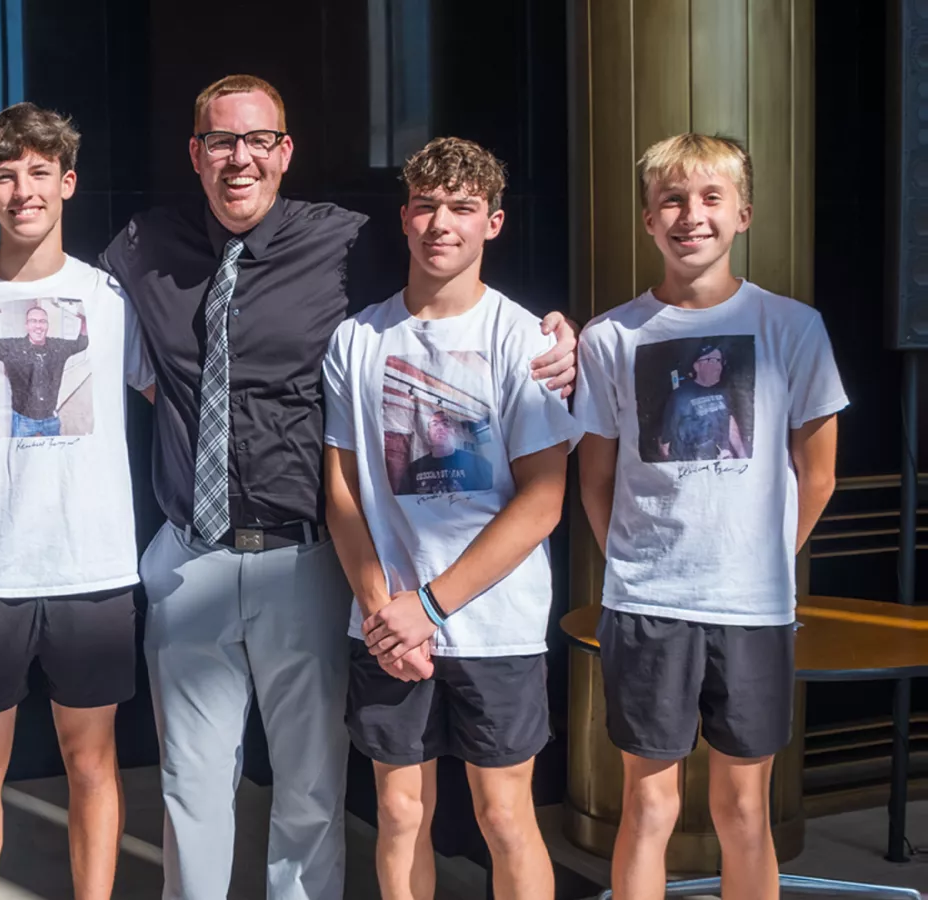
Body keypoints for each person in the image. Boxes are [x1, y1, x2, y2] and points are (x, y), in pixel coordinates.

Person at [93, 74, 579, 900]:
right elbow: (76, 313)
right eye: (220, 141)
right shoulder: (144, 245)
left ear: (285, 152)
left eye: (257, 141)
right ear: (195, 154)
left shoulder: (347, 240)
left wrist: (565, 332)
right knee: (192, 789)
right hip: (192, 556)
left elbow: (454, 279)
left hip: (306, 562)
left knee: (315, 792)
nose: (239, 159)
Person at [575, 133, 847, 900]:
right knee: (647, 806)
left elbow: (819, 473)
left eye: (710, 198)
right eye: (671, 200)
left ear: (743, 214)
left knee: (745, 810)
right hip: (646, 604)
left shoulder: (793, 328)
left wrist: (766, 558)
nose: (690, 215)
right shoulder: (611, 336)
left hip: (752, 607)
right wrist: (634, 563)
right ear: (648, 220)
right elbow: (595, 477)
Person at [0, 102, 153, 900]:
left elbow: (176, 395)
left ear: (68, 183)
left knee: (93, 765)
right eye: (6, 176)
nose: (24, 191)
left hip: (93, 570)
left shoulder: (113, 299)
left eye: (40, 172)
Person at [322, 136, 578, 900]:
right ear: (404, 216)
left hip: (496, 625)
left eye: (462, 208)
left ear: (492, 223)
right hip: (387, 623)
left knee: (504, 817)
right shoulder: (356, 340)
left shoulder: (524, 338)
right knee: (400, 814)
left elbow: (543, 500)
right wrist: (384, 614)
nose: (441, 223)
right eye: (427, 205)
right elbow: (342, 493)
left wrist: (428, 608)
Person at [0, 299, 90, 436]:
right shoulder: (12, 347)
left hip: (51, 419)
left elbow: (81, 343)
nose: (38, 326)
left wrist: (84, 320)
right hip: (23, 421)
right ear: (26, 325)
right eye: (33, 321)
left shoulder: (58, 347)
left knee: (55, 449)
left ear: (47, 325)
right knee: (20, 450)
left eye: (42, 321)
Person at [657, 343, 747, 461]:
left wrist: (743, 456)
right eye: (711, 360)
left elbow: (731, 425)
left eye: (719, 361)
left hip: (723, 462)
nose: (718, 366)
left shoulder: (723, 392)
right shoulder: (680, 396)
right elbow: (665, 442)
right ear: (697, 366)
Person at [400, 408, 493, 495]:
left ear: (454, 431)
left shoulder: (477, 463)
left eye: (445, 424)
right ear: (428, 434)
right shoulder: (413, 470)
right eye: (434, 424)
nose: (440, 428)